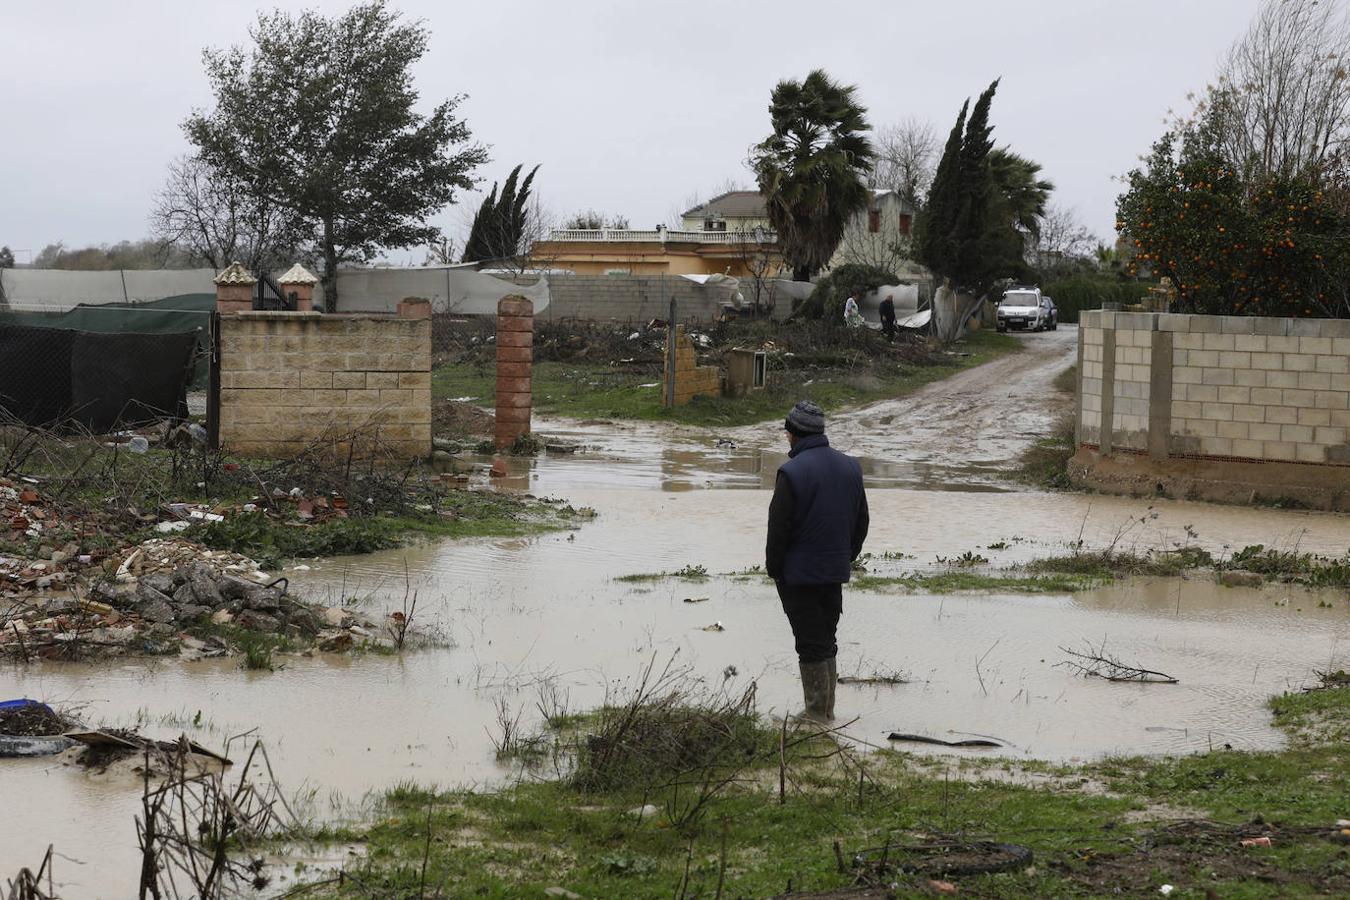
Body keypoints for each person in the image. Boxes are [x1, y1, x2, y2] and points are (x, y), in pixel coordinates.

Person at [765, 401, 869, 722]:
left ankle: (815, 714)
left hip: (798, 576)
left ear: (792, 434)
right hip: (834, 572)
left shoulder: (791, 472)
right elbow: (861, 522)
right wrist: (845, 557)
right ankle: (826, 710)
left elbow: (778, 527)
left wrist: (775, 569)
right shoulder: (851, 467)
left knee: (810, 644)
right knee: (826, 639)